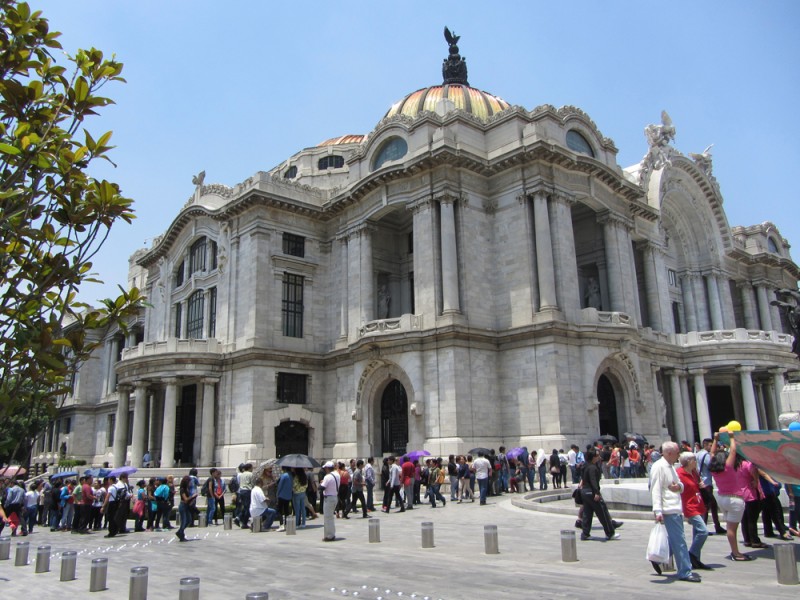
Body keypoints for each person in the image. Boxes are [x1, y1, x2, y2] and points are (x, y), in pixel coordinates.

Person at [650, 441, 700, 582]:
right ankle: (685, 571)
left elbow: (680, 484)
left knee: (675, 539)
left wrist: (678, 487)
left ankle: (658, 558)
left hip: (675, 507)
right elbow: (655, 489)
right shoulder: (658, 467)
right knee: (680, 541)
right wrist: (658, 510)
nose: (679, 455)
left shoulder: (671, 466)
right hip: (668, 509)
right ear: (669, 453)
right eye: (678, 452)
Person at [676, 452, 711, 570]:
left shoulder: (695, 472)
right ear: (688, 461)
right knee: (703, 531)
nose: (696, 462)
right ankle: (691, 554)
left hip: (699, 503)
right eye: (694, 460)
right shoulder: (679, 473)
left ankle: (696, 560)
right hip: (689, 506)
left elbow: (698, 486)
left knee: (697, 532)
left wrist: (702, 486)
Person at [579, 449, 619, 541]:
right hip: (592, 492)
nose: (599, 457)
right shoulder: (592, 468)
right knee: (602, 512)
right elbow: (593, 481)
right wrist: (596, 493)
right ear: (593, 457)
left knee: (587, 513)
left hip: (585, 492)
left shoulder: (585, 466)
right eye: (597, 456)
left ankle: (585, 533)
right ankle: (610, 533)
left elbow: (583, 479)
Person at [320, 461, 340, 541]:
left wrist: (320, 484)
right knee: (330, 517)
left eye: (325, 468)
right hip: (335, 497)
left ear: (328, 468)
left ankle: (329, 535)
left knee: (328, 517)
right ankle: (330, 534)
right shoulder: (337, 475)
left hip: (329, 498)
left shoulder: (327, 477)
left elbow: (322, 487)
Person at [176, 475, 194, 542]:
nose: (190, 483)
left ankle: (180, 532)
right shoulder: (182, 489)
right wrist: (192, 496)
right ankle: (181, 535)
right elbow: (185, 499)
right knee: (184, 521)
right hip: (183, 505)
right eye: (189, 482)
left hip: (186, 506)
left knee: (188, 520)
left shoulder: (187, 489)